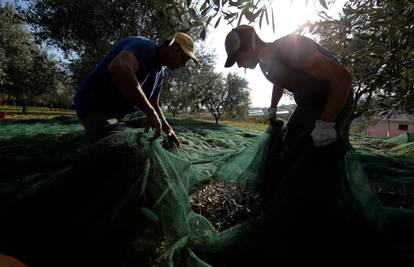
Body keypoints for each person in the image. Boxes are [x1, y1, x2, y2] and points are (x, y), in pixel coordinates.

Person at [224, 25, 353, 147]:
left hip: (334, 98)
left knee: (314, 148)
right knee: (288, 141)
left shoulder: (289, 49)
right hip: (306, 104)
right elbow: (279, 81)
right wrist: (273, 108)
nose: (239, 65)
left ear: (250, 47)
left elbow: (342, 77)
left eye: (238, 59)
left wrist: (325, 123)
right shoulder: (264, 64)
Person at [74, 32, 199, 147]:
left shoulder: (160, 73)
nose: (183, 65)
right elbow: (119, 67)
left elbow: (154, 103)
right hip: (93, 106)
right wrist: (150, 112)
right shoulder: (145, 47)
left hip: (115, 114)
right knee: (117, 149)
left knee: (138, 139)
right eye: (184, 59)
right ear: (174, 48)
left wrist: (168, 128)